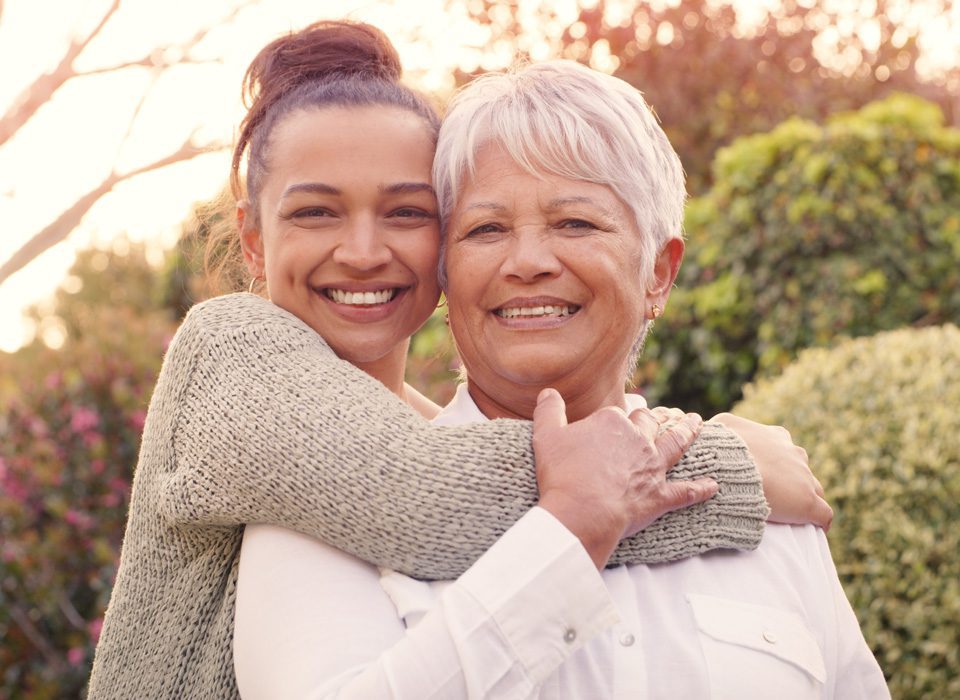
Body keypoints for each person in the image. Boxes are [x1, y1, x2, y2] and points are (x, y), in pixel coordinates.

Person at [88, 21, 827, 700]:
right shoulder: (231, 354)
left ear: (439, 251)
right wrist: (725, 470)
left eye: (408, 212)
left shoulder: (408, 425)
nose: (364, 251)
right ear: (252, 240)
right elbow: (427, 492)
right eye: (316, 211)